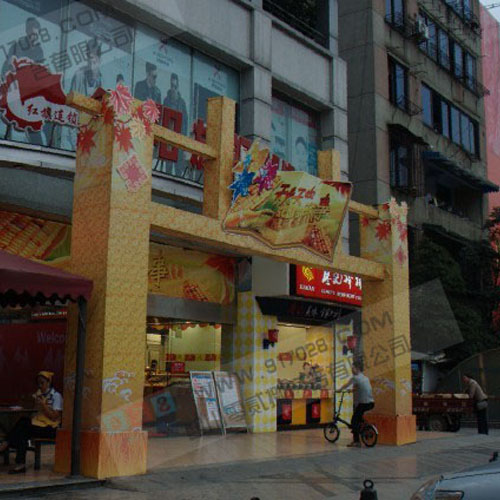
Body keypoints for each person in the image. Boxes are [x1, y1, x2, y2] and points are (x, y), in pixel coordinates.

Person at [0, 371, 62, 473]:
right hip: (39, 424)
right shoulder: (39, 394)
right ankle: (20, 463)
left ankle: (5, 443)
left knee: (23, 424)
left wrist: (43, 405)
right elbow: (34, 413)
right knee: (22, 432)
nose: (40, 386)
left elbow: (54, 417)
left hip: (51, 428)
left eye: (42, 383)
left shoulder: (56, 396)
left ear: (49, 382)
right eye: (38, 383)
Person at [338, 361, 374, 447]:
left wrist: (338, 390)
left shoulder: (355, 378)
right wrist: (352, 390)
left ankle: (356, 441)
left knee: (354, 421)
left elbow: (346, 385)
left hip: (363, 404)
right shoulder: (365, 377)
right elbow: (361, 387)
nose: (351, 370)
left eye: (353, 368)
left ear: (357, 369)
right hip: (371, 403)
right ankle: (365, 427)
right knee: (358, 417)